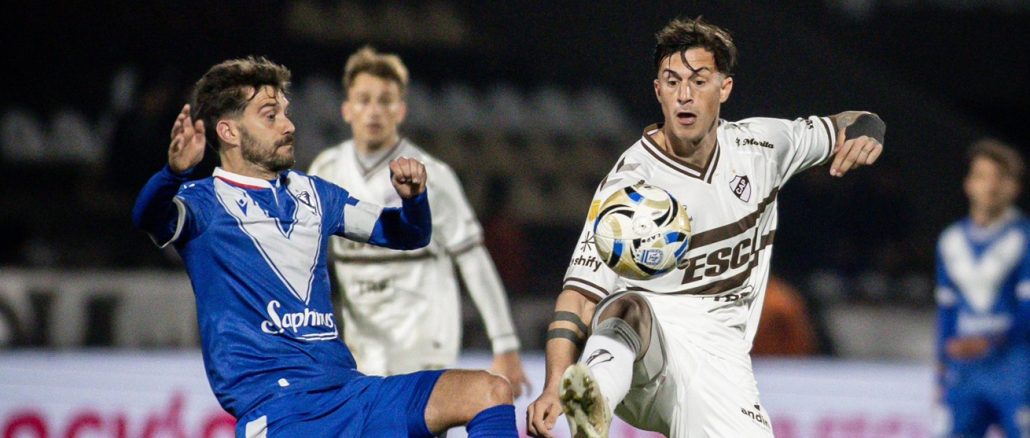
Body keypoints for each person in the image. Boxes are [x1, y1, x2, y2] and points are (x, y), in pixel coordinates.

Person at [526, 17, 885, 437]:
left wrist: (870, 131)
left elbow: (850, 122)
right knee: (628, 305)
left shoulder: (763, 147)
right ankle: (591, 402)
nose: (684, 95)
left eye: (699, 80)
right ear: (657, 90)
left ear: (724, 88)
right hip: (643, 357)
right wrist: (553, 385)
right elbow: (581, 294)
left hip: (720, 358)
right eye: (671, 80)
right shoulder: (628, 186)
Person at [132, 56, 517, 437]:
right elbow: (148, 218)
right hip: (281, 414)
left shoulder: (314, 195)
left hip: (352, 394)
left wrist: (414, 200)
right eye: (271, 115)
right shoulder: (203, 203)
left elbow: (407, 234)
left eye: (285, 112)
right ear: (229, 132)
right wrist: (171, 174)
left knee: (488, 391)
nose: (288, 125)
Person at [308, 46, 530, 395]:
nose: (374, 111)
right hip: (362, 348)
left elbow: (472, 258)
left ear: (401, 110)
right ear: (346, 109)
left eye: (385, 100)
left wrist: (505, 345)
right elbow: (310, 259)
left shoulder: (433, 175)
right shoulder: (326, 170)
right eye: (364, 100)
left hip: (425, 344)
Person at [934, 139, 1029, 438]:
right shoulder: (950, 241)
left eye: (999, 177)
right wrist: (941, 366)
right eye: (982, 176)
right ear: (968, 184)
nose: (991, 186)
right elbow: (946, 307)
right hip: (966, 369)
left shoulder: (1024, 237)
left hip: (1016, 366)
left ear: (1013, 187)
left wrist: (989, 341)